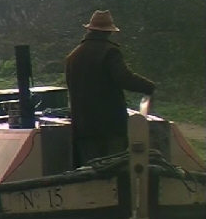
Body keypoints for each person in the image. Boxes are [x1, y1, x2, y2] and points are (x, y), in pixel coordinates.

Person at [65, 10, 155, 168]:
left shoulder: (73, 56)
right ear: (108, 32)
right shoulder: (110, 52)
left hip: (83, 126)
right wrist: (148, 86)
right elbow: (124, 78)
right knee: (115, 171)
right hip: (109, 125)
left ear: (90, 30)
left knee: (89, 173)